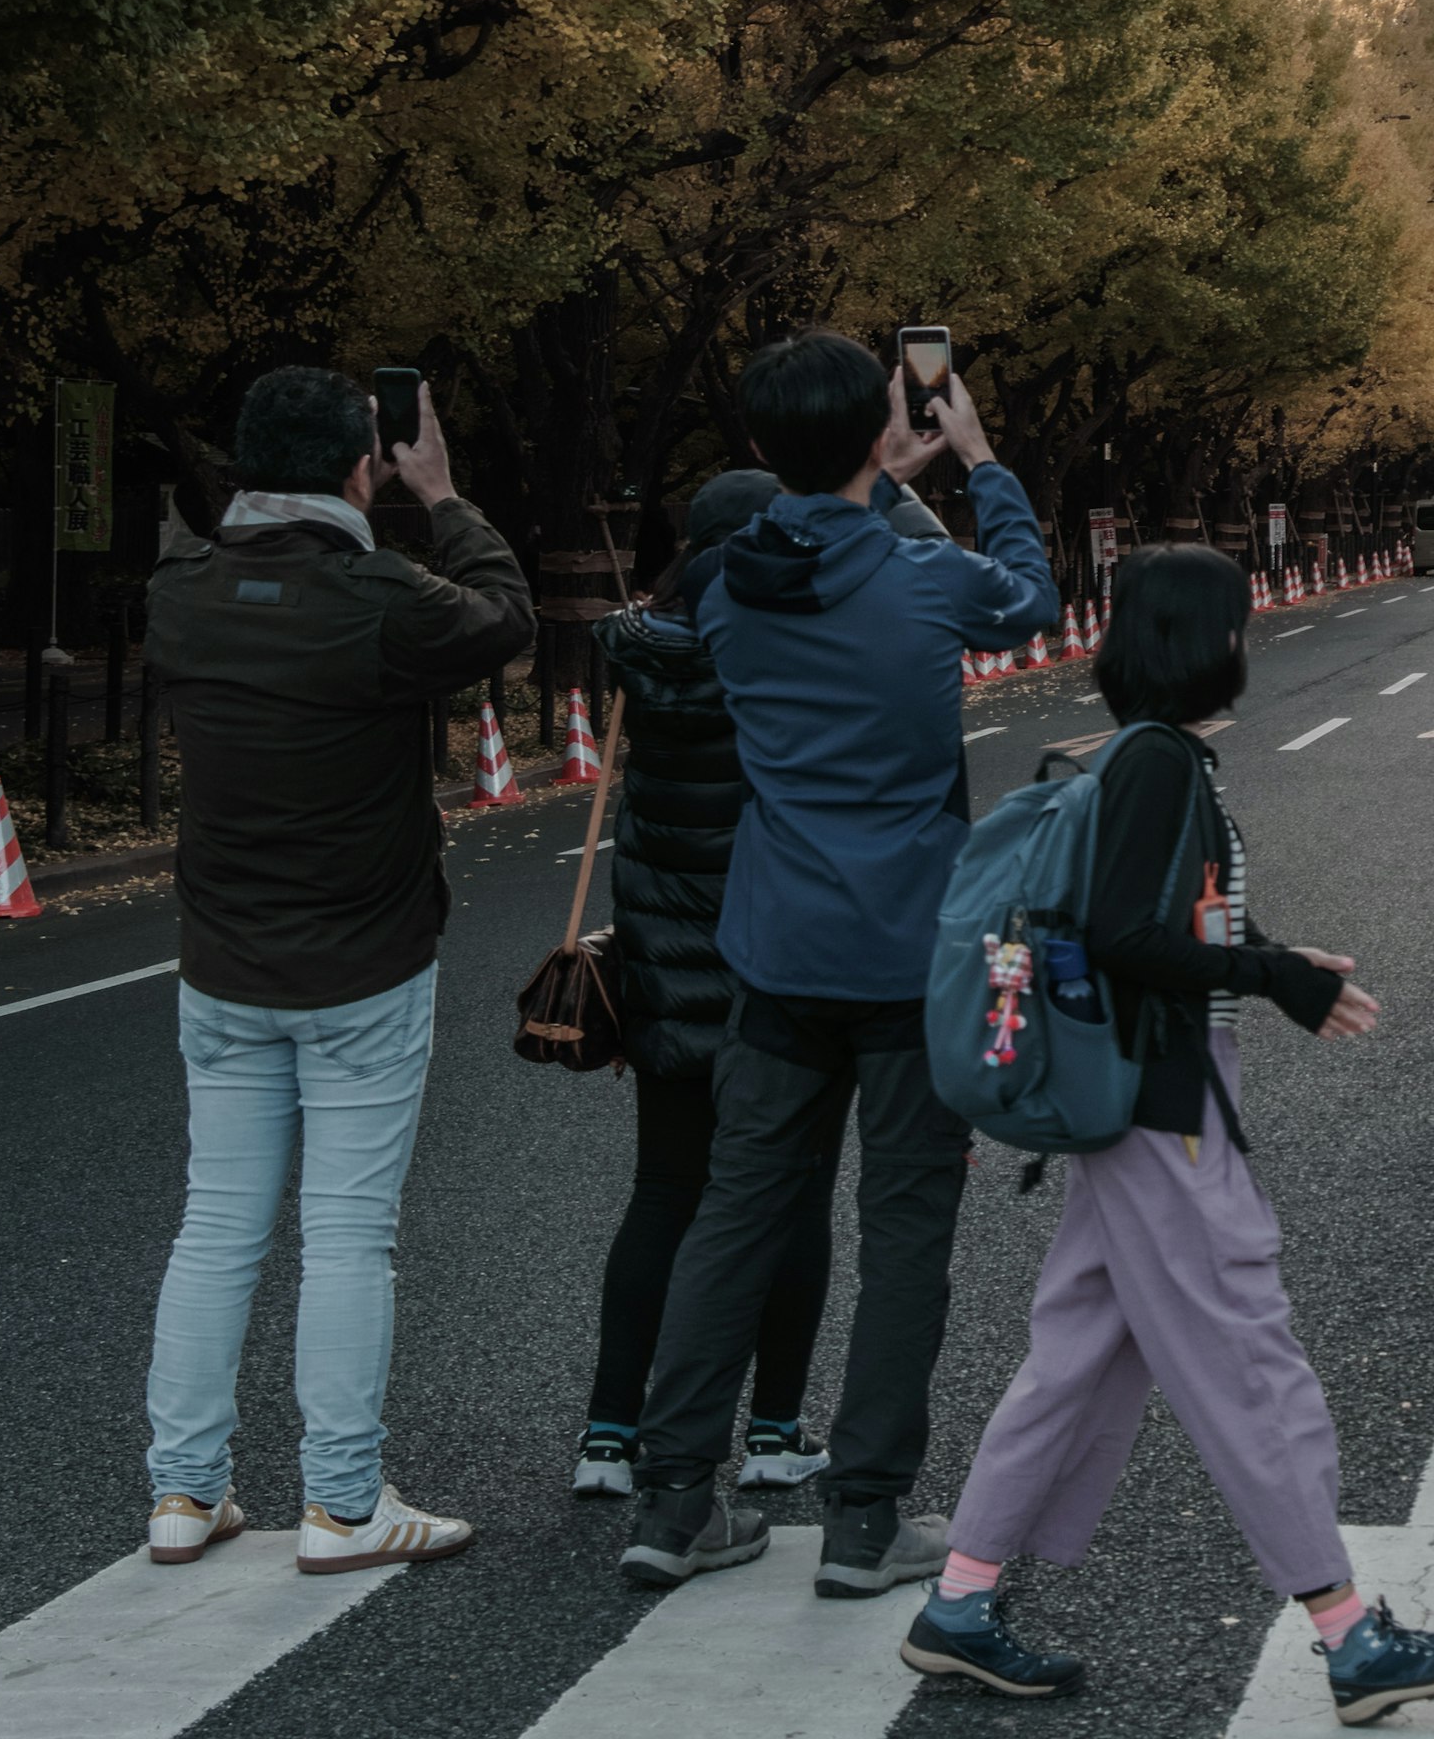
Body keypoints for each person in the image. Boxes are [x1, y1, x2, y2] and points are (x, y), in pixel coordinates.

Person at [898, 546, 1434, 1721]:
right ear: (1199, 641)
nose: (1245, 645)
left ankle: (960, 1604)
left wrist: (1273, 953)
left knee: (1076, 1356)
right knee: (1246, 1357)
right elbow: (1129, 936)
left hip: (1134, 1104)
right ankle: (1348, 1636)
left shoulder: (1145, 760)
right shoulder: (1159, 766)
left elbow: (1161, 915)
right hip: (1160, 1108)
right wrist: (1272, 973)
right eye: (1233, 626)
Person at [619, 332, 1060, 1597]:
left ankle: (671, 1499)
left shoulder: (720, 587)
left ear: (756, 451)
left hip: (775, 942)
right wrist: (971, 459)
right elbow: (1028, 596)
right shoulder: (926, 579)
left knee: (738, 1210)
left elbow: (722, 584)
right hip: (914, 948)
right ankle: (867, 1517)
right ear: (883, 432)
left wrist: (866, 472)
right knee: (907, 1228)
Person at [140, 368, 533, 1570]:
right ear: (365, 465)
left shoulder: (180, 593)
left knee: (215, 1228)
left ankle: (184, 1495)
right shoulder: (379, 599)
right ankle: (345, 1506)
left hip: (221, 963)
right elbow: (506, 617)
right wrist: (448, 497)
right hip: (362, 963)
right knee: (348, 1237)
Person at [571, 468, 931, 1497]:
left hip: (664, 983)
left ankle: (609, 1435)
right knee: (795, 1199)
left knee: (665, 1198)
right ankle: (775, 1433)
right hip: (782, 979)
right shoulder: (790, 660)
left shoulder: (647, 661)